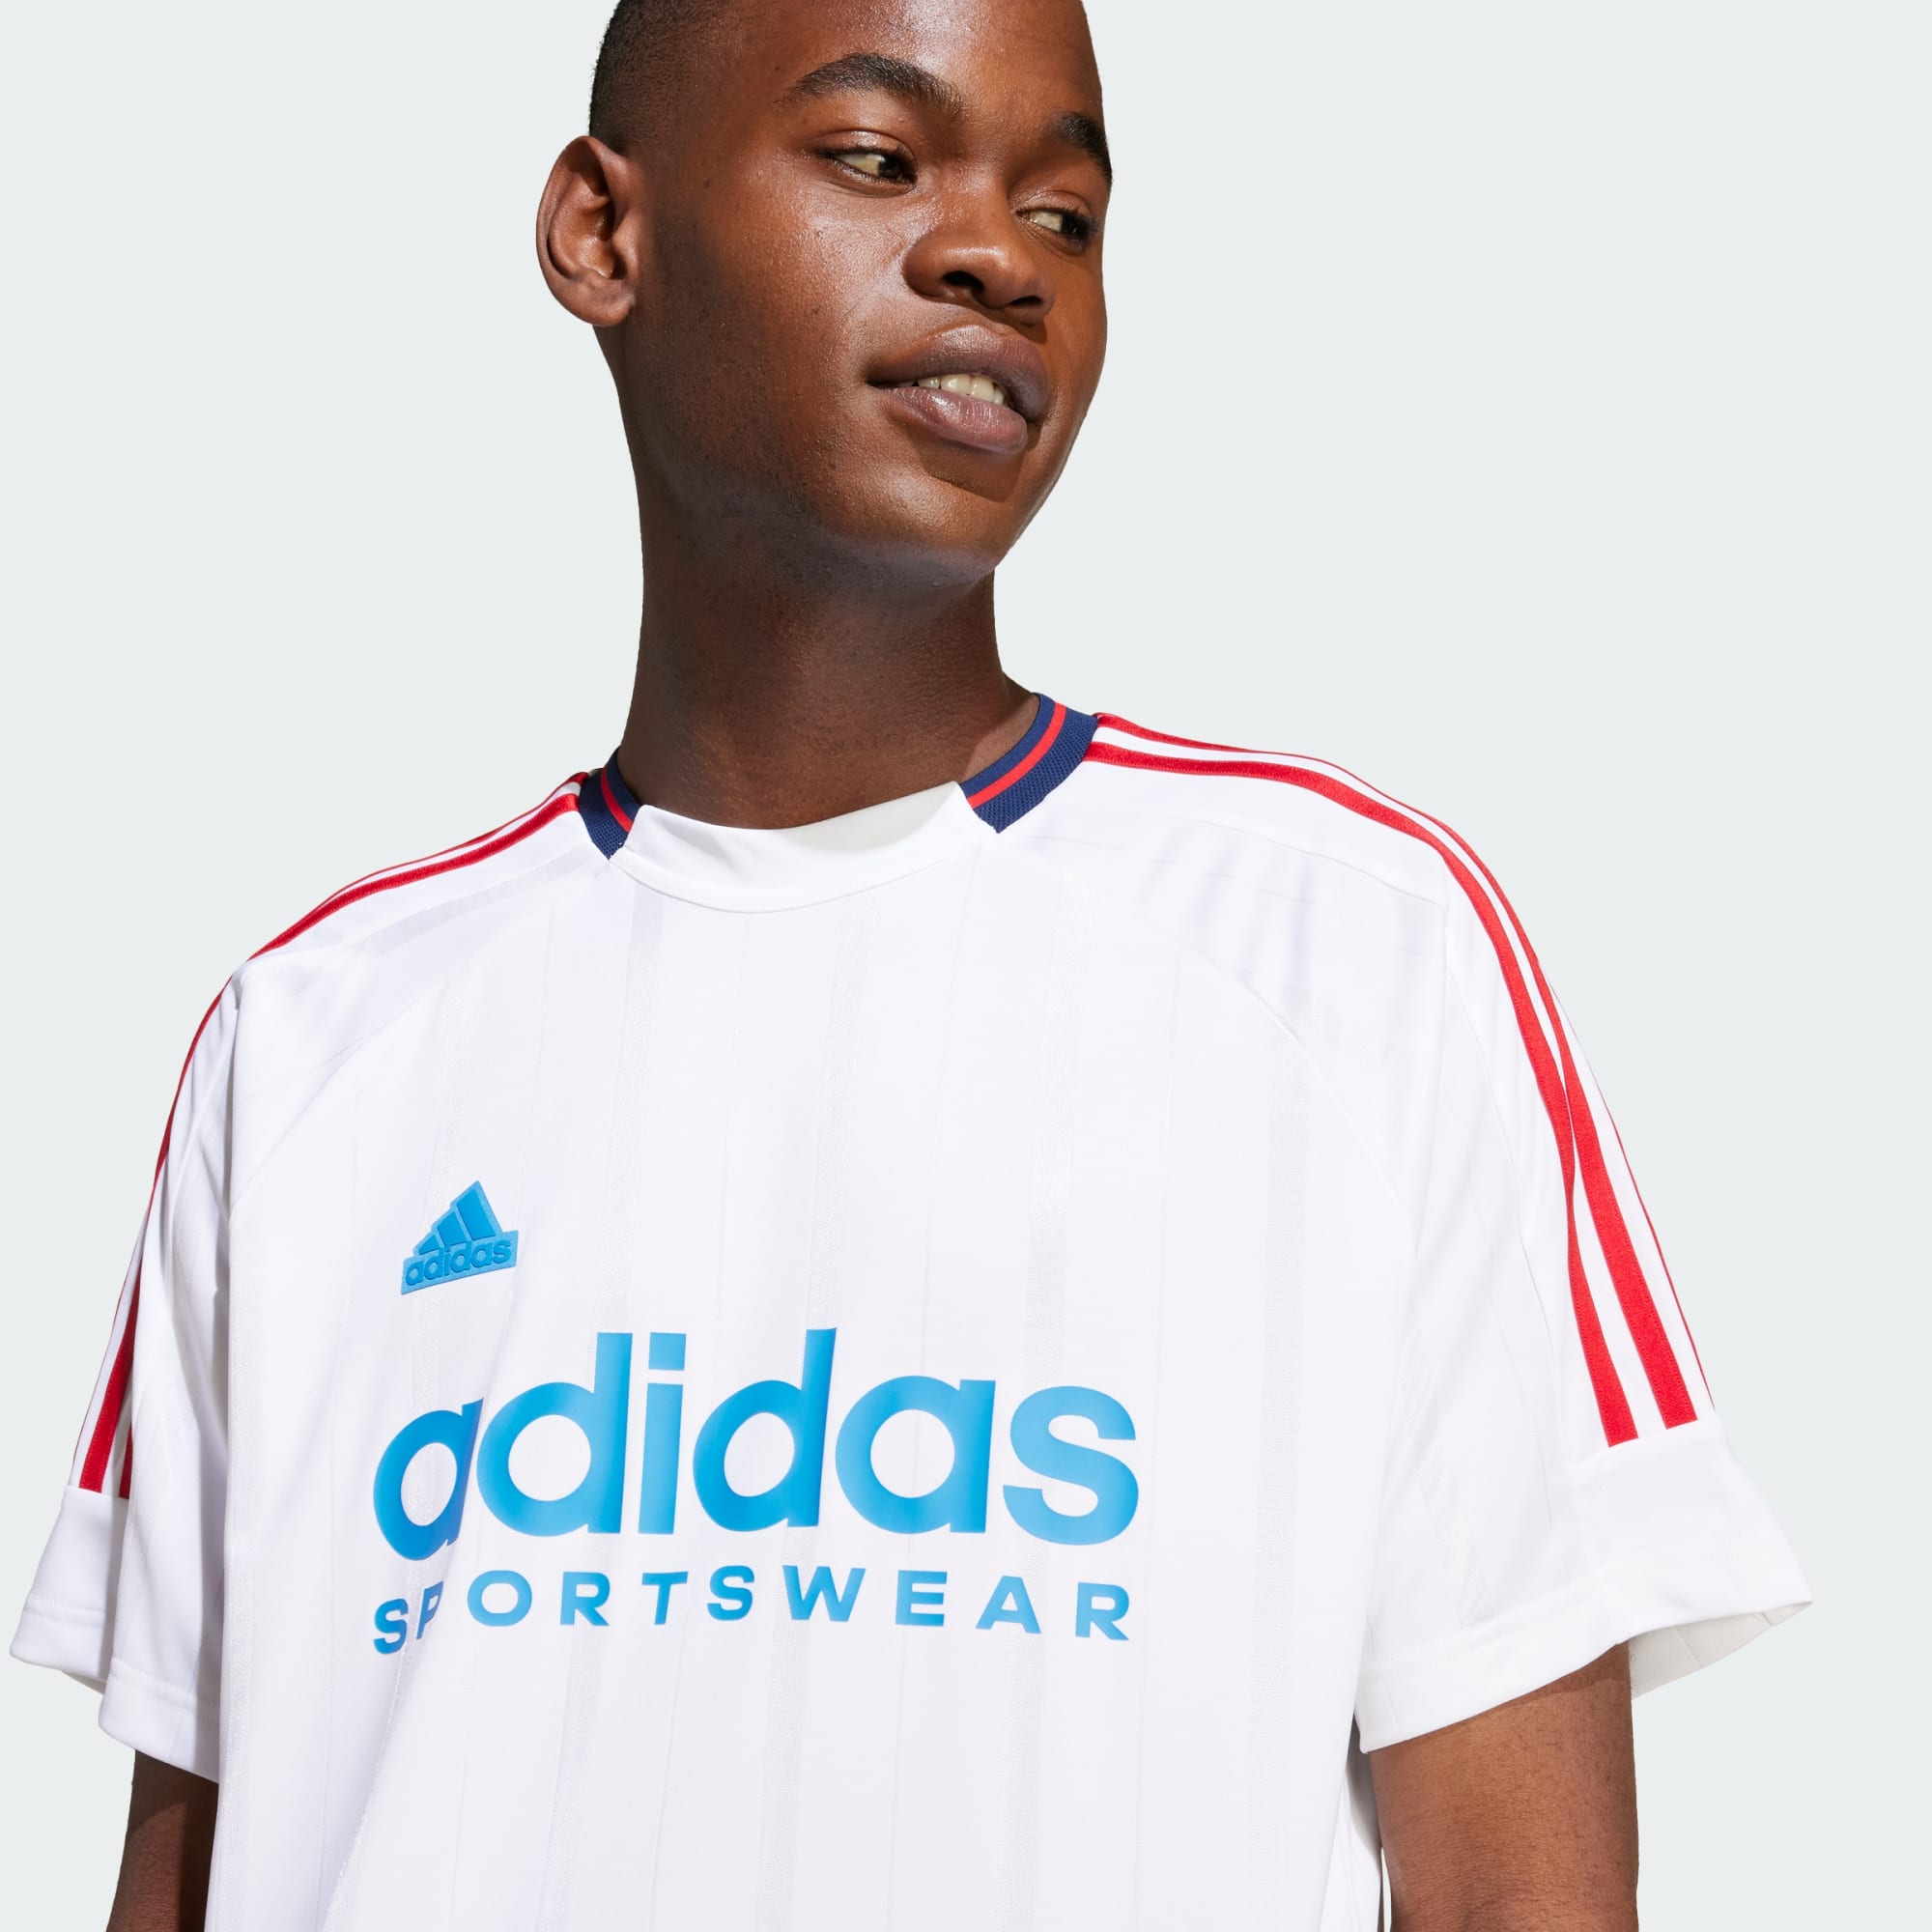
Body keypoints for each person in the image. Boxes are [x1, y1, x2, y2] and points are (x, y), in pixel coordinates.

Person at [13, 0, 1809, 1925]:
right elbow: (193, 1862)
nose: (994, 258)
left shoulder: (1359, 953)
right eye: (879, 160)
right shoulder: (311, 1032)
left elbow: (1522, 1887)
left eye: (1066, 215)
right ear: (603, 233)